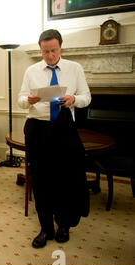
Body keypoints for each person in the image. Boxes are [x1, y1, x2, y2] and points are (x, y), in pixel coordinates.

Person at [18, 29, 91, 248]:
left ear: (60, 47)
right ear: (40, 49)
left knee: (66, 179)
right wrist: (28, 100)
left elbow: (86, 97)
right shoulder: (31, 71)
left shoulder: (74, 68)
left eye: (53, 50)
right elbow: (20, 100)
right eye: (45, 51)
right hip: (38, 128)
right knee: (41, 180)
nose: (49, 55)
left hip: (64, 127)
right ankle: (45, 228)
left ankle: (64, 225)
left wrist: (73, 98)